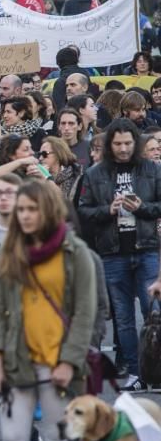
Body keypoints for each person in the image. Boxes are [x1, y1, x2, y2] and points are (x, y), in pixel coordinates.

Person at [0, 180, 97, 441]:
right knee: (13, 438)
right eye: (21, 209)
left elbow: (86, 312)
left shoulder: (75, 252)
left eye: (32, 209)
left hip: (59, 359)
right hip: (16, 358)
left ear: (47, 210)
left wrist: (69, 361)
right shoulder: (10, 252)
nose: (24, 215)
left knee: (59, 440)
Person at [76, 118, 161, 391]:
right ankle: (136, 373)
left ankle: (155, 370)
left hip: (146, 248)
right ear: (109, 145)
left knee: (154, 312)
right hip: (113, 253)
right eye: (118, 144)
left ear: (135, 143)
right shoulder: (95, 173)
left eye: (128, 143)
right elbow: (83, 211)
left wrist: (142, 207)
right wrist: (108, 210)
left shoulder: (151, 169)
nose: (123, 149)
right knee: (123, 318)